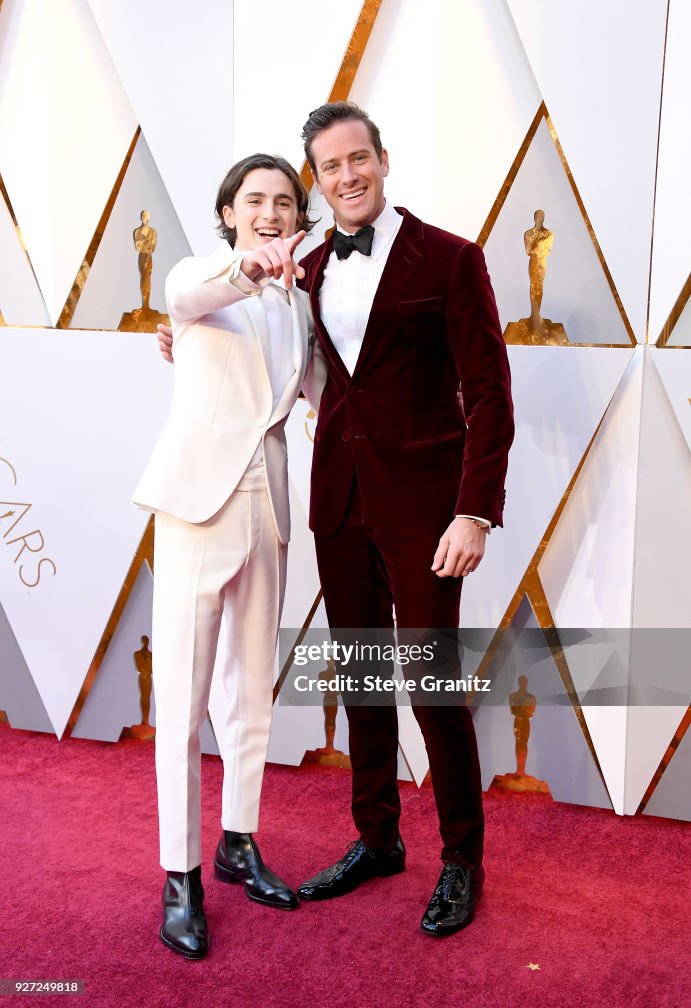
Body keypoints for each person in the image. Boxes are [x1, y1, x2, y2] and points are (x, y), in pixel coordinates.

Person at [157, 102, 514, 938]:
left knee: (429, 684)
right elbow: (251, 330)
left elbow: (491, 394)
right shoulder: (303, 270)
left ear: (382, 161)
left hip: (429, 509)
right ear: (318, 181)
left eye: (358, 159)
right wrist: (176, 333)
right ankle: (377, 838)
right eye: (329, 167)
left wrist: (474, 511)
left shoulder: (451, 259)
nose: (346, 176)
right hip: (337, 502)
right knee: (359, 680)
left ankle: (462, 860)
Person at [133, 153, 317, 959]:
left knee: (250, 694)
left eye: (283, 200)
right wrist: (243, 270)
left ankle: (239, 841)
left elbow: (317, 388)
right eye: (255, 200)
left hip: (269, 509)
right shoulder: (199, 276)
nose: (270, 211)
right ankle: (181, 876)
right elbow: (186, 298)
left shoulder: (301, 306)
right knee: (182, 700)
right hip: (196, 508)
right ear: (230, 212)